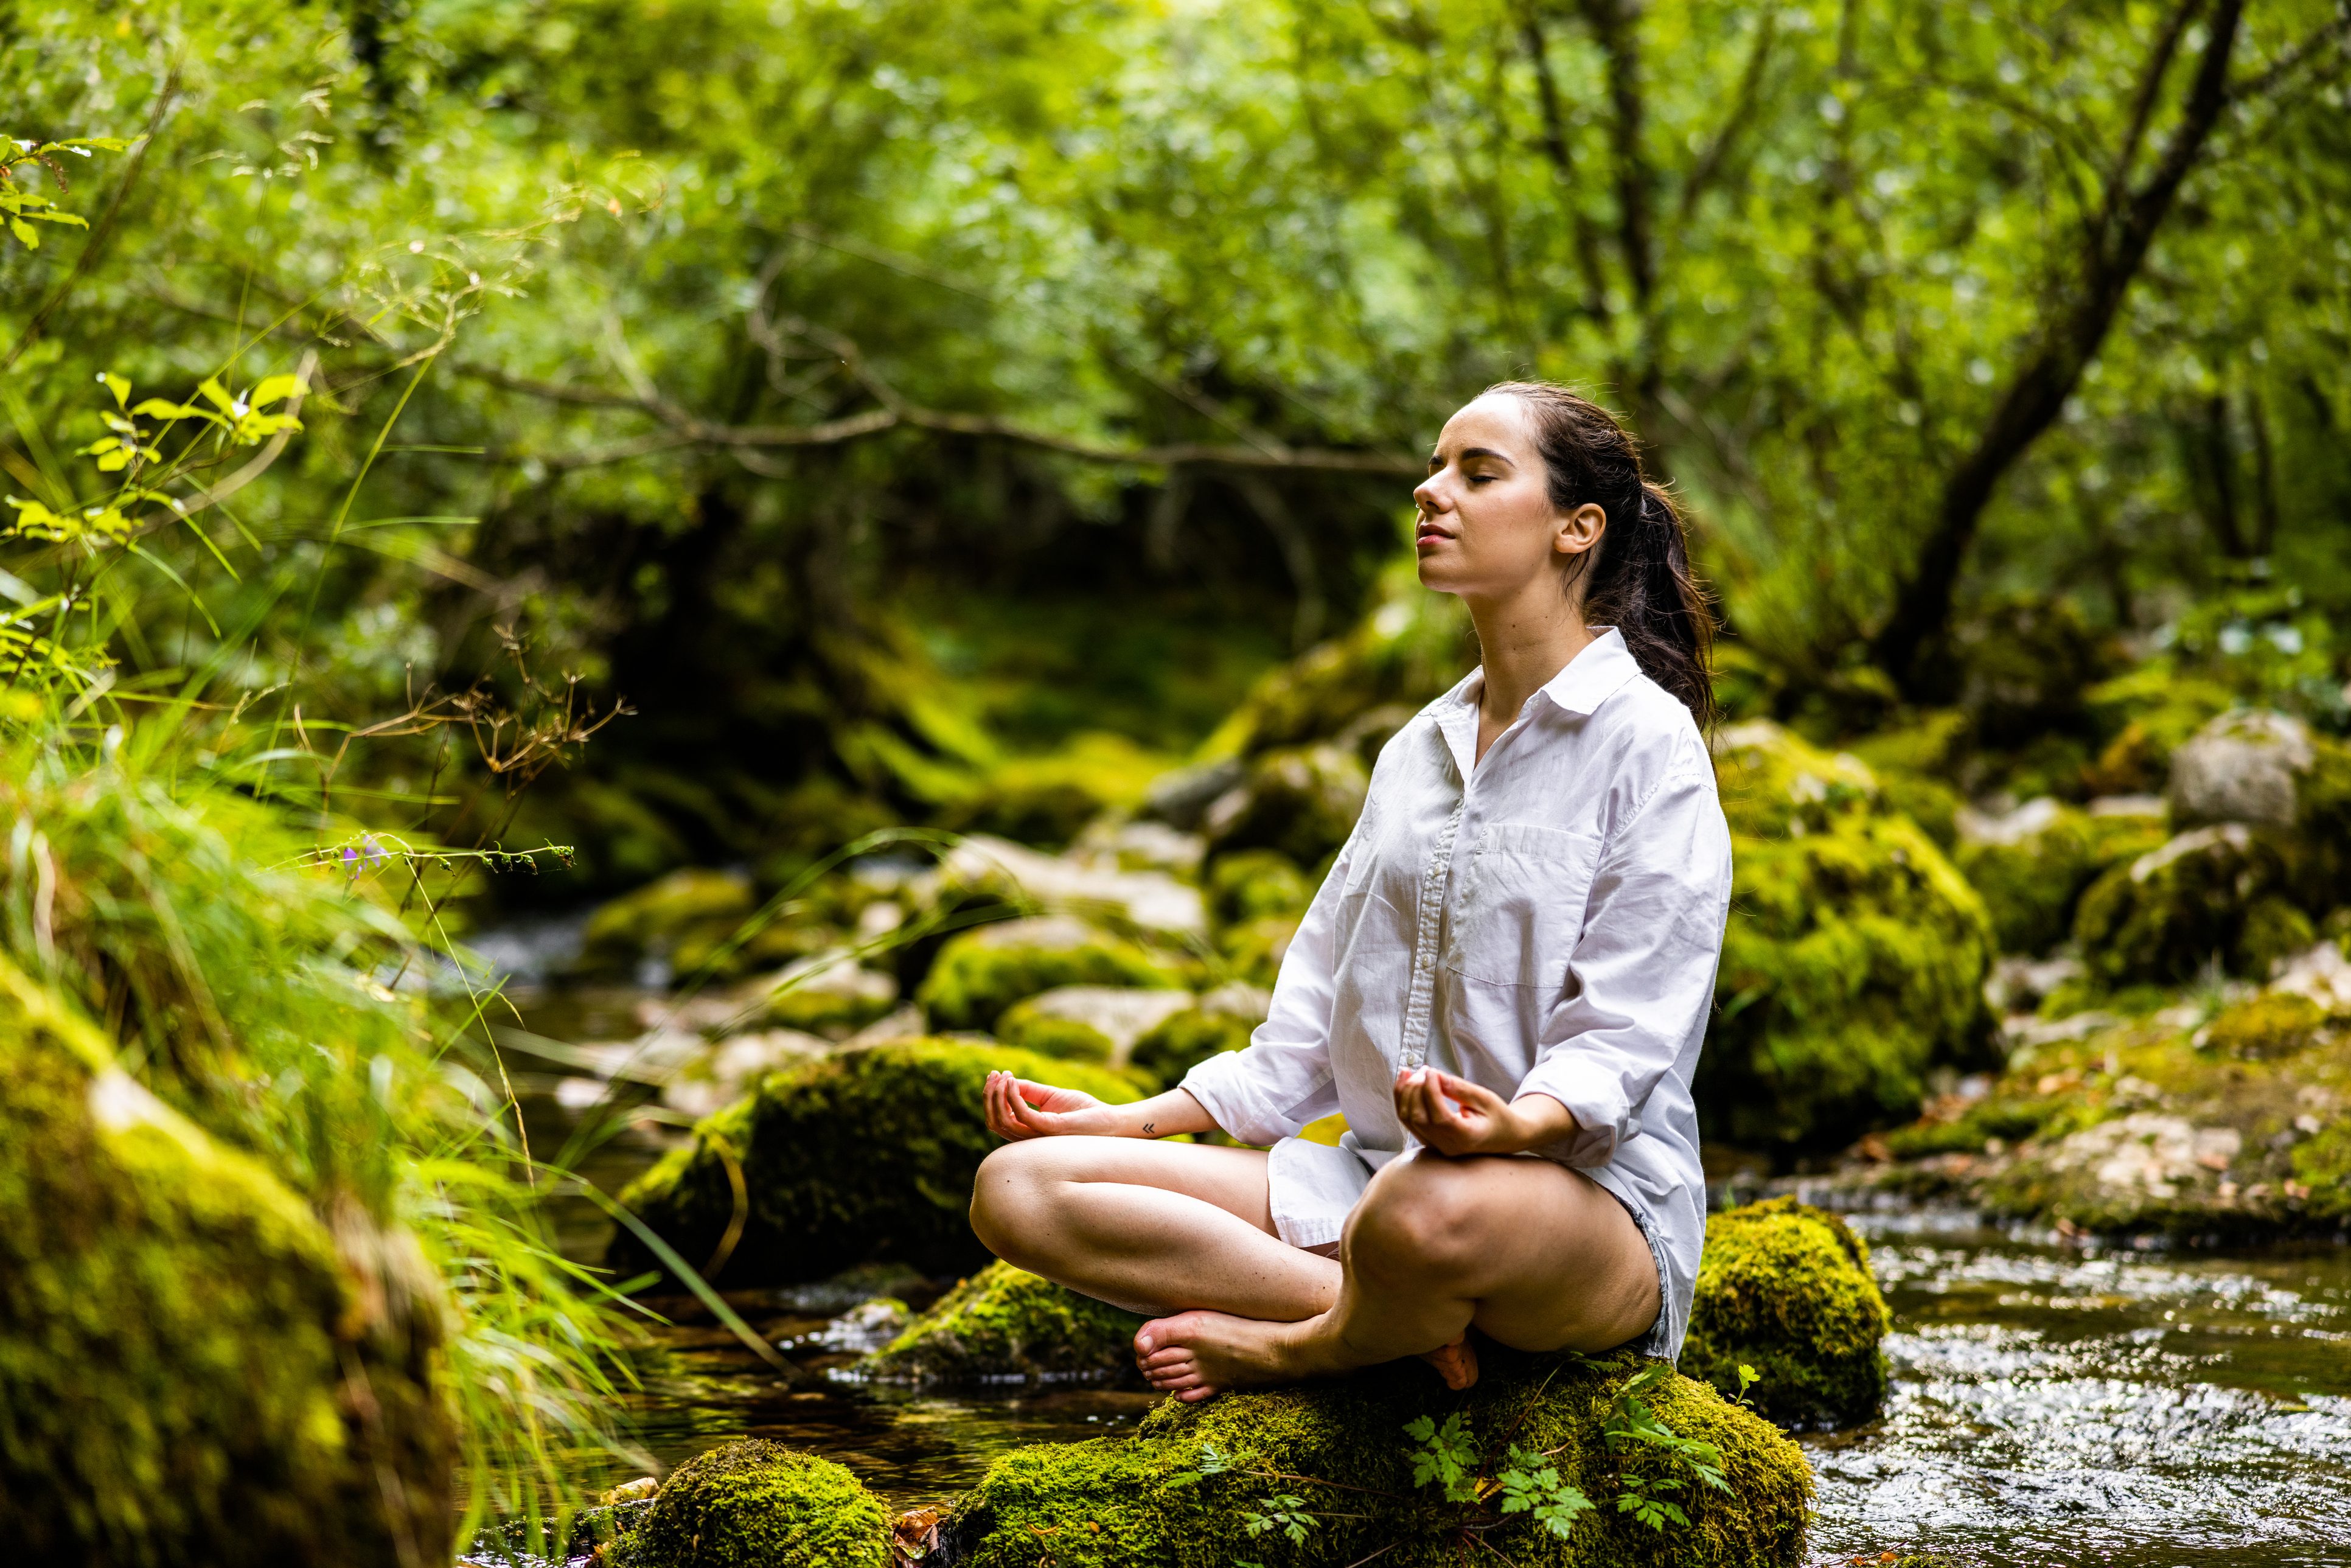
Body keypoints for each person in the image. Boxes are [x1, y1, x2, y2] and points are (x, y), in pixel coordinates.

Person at [968, 382, 1728, 1401]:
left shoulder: (1649, 742)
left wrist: (1508, 1128)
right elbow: (1308, 1030)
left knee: (1418, 1214)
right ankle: (1398, 1329)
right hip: (1373, 1181)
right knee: (1015, 1188)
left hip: (1577, 1205)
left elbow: (1628, 1037)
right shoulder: (1419, 749)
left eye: (1478, 472)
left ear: (1576, 527)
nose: (1430, 490)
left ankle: (1302, 1345)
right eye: (1434, 464)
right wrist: (1122, 1119)